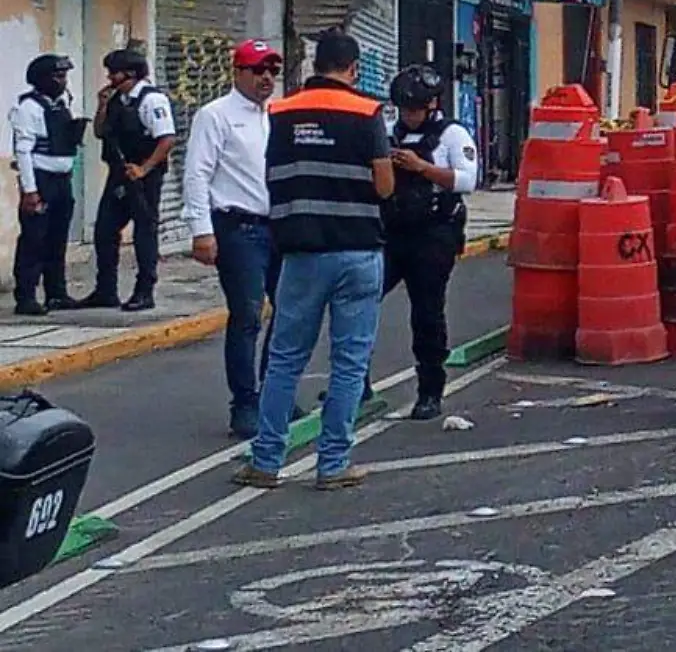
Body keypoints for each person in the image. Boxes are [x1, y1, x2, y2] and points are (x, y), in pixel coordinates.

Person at [235, 31, 393, 491]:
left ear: (313, 63)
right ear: (353, 68)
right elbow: (383, 186)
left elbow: (273, 175)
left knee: (284, 359)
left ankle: (265, 461)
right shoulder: (367, 112)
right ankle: (333, 464)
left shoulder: (281, 112)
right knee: (349, 362)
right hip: (358, 250)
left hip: (301, 252)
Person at [181, 40, 281, 438]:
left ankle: (277, 392)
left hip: (280, 226)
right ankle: (244, 402)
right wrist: (201, 230)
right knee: (247, 315)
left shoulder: (278, 113)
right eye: (258, 70)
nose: (266, 78)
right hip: (238, 228)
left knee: (289, 312)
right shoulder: (215, 116)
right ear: (238, 72)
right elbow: (197, 174)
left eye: (272, 70)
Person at [381, 64, 478, 422]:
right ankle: (354, 383)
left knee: (427, 313)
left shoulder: (451, 135)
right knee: (359, 300)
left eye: (415, 109)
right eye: (404, 109)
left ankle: (430, 390)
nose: (409, 116)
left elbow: (468, 180)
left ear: (431, 104)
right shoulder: (390, 134)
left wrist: (422, 167)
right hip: (393, 232)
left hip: (434, 233)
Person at [86, 50, 175, 312]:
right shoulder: (116, 99)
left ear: (131, 73)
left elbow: (167, 139)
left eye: (114, 72)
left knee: (145, 232)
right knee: (104, 230)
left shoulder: (152, 100)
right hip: (118, 174)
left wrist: (144, 169)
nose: (110, 77)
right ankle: (106, 290)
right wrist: (102, 105)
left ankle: (144, 290)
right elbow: (101, 132)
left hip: (144, 176)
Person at [10, 54, 87, 316]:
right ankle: (26, 296)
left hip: (62, 180)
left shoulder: (61, 104)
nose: (62, 81)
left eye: (64, 76)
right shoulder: (28, 108)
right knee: (34, 240)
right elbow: (23, 151)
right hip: (40, 180)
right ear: (41, 79)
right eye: (57, 76)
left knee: (57, 239)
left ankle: (56, 293)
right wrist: (30, 190)